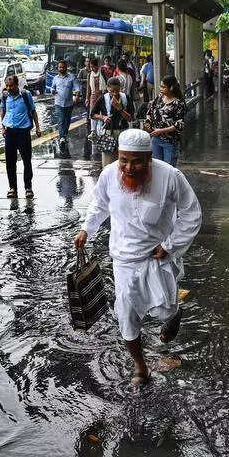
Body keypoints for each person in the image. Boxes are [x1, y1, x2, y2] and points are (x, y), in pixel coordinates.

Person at [74, 128, 202, 386]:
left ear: (149, 158)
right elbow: (99, 204)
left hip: (157, 257)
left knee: (165, 309)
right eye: (123, 160)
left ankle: (173, 314)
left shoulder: (170, 177)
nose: (129, 167)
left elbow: (191, 213)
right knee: (127, 317)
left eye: (136, 161)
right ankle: (140, 366)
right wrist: (87, 228)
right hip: (123, 260)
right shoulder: (109, 175)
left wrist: (170, 245)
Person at [0, 74, 41, 199]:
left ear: (17, 85)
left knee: (26, 161)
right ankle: (12, 188)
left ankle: (28, 187)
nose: (8, 88)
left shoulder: (25, 94)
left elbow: (33, 111)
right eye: (7, 86)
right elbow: (3, 111)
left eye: (11, 85)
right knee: (10, 162)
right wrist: (2, 127)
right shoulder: (5, 95)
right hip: (10, 132)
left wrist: (38, 127)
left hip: (23, 132)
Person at [143, 75, 186, 167]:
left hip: (170, 141)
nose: (160, 88)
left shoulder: (179, 103)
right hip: (155, 139)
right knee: (156, 167)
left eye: (163, 87)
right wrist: (148, 121)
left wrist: (161, 131)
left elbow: (179, 124)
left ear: (171, 87)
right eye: (160, 86)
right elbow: (149, 112)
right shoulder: (159, 97)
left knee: (168, 168)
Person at [90, 76, 135, 158]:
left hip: (123, 132)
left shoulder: (126, 98)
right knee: (108, 161)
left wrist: (120, 108)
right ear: (107, 88)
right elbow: (92, 114)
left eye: (117, 90)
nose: (115, 93)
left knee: (123, 158)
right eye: (112, 91)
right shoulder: (103, 98)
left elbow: (130, 118)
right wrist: (103, 117)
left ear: (120, 88)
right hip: (107, 133)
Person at [51, 60, 77, 149]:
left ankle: (64, 135)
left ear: (66, 68)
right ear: (58, 68)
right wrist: (53, 91)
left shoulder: (71, 77)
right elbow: (52, 88)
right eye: (60, 67)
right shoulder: (55, 78)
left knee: (67, 121)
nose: (61, 69)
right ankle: (62, 137)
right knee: (61, 120)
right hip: (58, 103)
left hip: (69, 103)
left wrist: (76, 96)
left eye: (63, 67)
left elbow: (77, 89)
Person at [85, 57, 106, 138]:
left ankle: (100, 131)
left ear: (98, 66)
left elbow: (107, 84)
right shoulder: (89, 75)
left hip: (102, 96)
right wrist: (87, 98)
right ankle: (93, 131)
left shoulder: (103, 73)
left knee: (101, 113)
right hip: (93, 96)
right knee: (93, 114)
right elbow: (88, 88)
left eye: (93, 67)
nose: (92, 68)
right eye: (91, 67)